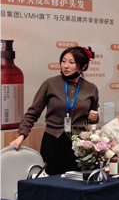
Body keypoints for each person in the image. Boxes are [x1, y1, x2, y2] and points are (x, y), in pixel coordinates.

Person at [11, 47, 100, 175]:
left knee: (75, 181)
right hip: (53, 140)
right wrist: (21, 136)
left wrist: (94, 118)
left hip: (79, 145)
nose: (66, 66)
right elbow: (33, 113)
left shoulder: (91, 88)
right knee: (50, 180)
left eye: (71, 62)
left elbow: (93, 118)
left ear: (83, 66)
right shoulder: (50, 84)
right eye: (63, 61)